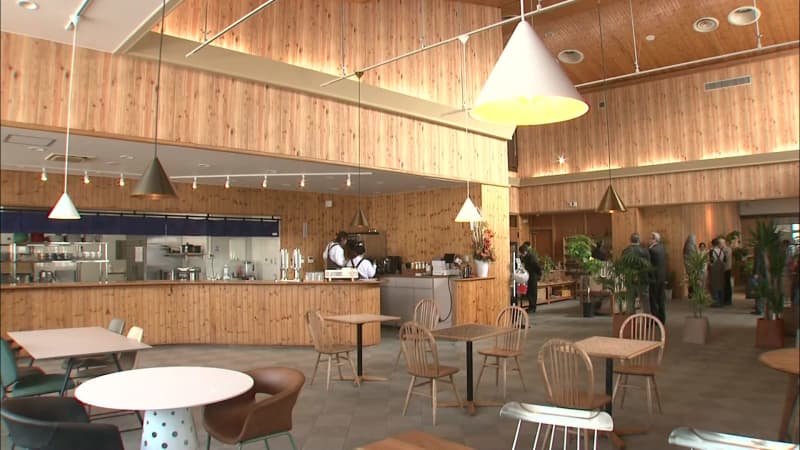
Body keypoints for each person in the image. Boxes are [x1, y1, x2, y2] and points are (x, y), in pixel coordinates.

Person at [622, 233, 650, 314]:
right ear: (639, 240)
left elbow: (623, 265)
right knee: (645, 301)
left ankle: (631, 320)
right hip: (643, 279)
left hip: (630, 279)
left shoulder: (625, 251)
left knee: (630, 301)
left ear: (630, 240)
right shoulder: (645, 251)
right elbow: (648, 265)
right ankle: (647, 319)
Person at [648, 232, 667, 324]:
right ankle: (662, 318)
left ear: (654, 240)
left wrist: (649, 248)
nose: (649, 240)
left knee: (653, 300)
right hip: (662, 277)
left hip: (654, 278)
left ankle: (655, 320)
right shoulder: (662, 247)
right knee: (661, 298)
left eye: (650, 238)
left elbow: (648, 263)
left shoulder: (652, 250)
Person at [519, 242, 542, 313]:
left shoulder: (532, 256)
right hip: (529, 275)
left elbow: (537, 266)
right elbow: (522, 260)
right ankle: (531, 307)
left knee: (533, 292)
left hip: (533, 275)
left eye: (522, 253)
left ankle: (533, 307)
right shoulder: (527, 256)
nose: (521, 254)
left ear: (525, 251)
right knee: (529, 292)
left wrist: (539, 275)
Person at [708, 238, 726, 307]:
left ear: (712, 244)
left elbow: (711, 261)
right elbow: (724, 261)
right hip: (721, 269)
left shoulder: (711, 251)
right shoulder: (722, 251)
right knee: (721, 285)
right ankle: (721, 301)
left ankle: (716, 301)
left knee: (714, 285)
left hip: (714, 269)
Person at [721, 237, 733, 306]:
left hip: (727, 268)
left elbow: (725, 259)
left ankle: (728, 300)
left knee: (727, 284)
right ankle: (724, 299)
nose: (719, 244)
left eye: (720, 243)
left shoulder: (727, 249)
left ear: (723, 243)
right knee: (724, 284)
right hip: (722, 269)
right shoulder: (721, 249)